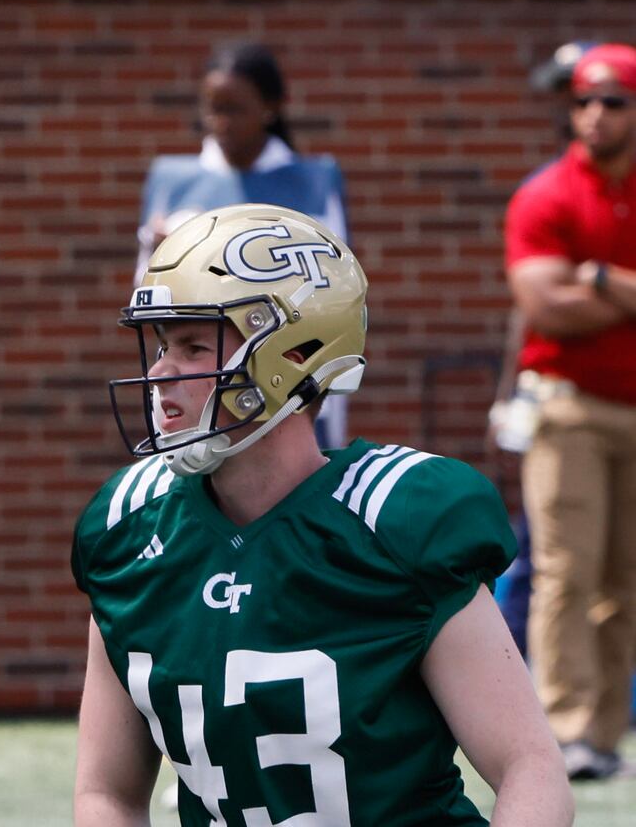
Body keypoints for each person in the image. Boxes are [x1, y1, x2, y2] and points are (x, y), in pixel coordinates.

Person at [72, 204, 571, 825]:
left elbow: (531, 768)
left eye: (194, 346)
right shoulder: (129, 530)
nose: (159, 373)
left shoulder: (392, 522)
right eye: (164, 345)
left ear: (290, 353)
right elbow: (107, 794)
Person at [504, 42, 636, 782]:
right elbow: (542, 303)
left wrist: (594, 278)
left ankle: (606, 735)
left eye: (613, 102)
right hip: (568, 409)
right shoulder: (546, 194)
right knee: (564, 573)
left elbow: (571, 293)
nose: (593, 115)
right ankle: (564, 732)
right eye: (583, 101)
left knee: (625, 582)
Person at [135, 43, 350, 448]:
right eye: (212, 108)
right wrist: (160, 256)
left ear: (271, 107)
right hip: (198, 376)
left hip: (285, 372)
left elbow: (334, 293)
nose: (221, 122)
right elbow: (144, 301)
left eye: (234, 109)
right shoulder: (171, 180)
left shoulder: (314, 181)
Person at [488, 40, 597, 657]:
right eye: (567, 98)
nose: (573, 111)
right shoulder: (548, 189)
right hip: (559, 393)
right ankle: (515, 681)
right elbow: (533, 307)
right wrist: (508, 393)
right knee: (543, 551)